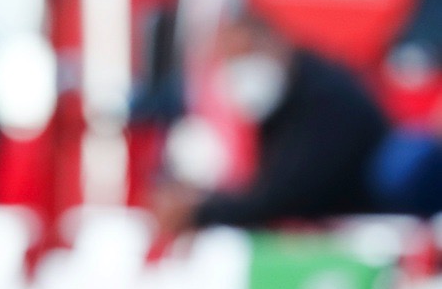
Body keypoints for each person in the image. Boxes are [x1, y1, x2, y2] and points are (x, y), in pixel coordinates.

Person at [151, 12, 392, 236]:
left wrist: (200, 213)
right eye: (231, 62)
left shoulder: (328, 98)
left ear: (275, 42)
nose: (241, 71)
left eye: (248, 54)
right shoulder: (281, 101)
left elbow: (286, 196)